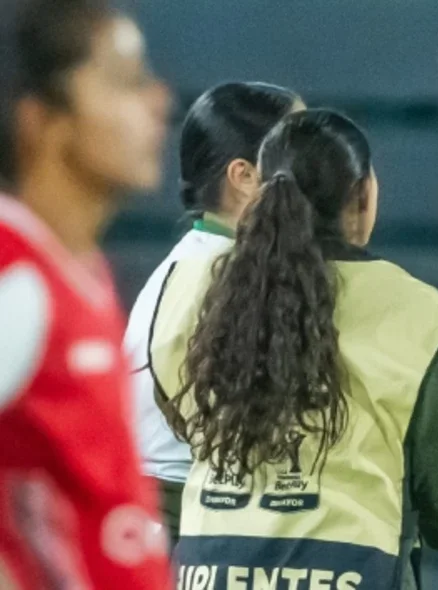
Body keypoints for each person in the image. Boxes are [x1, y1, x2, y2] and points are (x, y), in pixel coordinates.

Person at [147, 109, 438, 588]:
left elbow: (180, 415)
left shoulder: (197, 287)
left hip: (207, 567)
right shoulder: (413, 309)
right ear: (363, 195)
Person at [0, 0, 173, 588]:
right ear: (39, 118)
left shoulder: (78, 268)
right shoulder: (13, 273)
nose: (158, 101)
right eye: (126, 82)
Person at [123, 80, 304, 546]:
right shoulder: (221, 275)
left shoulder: (207, 262)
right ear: (243, 176)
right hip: (185, 523)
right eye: (299, 145)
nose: (320, 160)